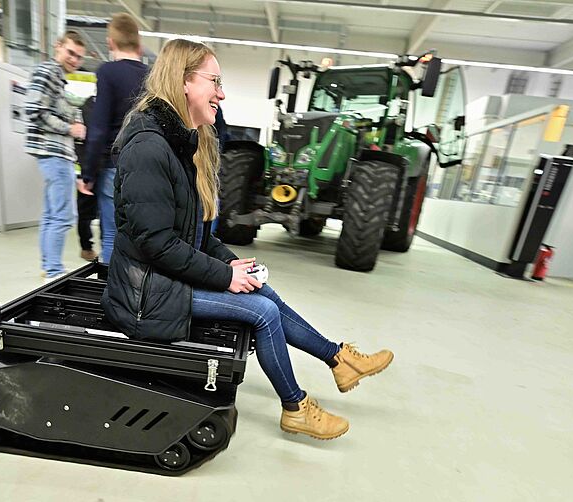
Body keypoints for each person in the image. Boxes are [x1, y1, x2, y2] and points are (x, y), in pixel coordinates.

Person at [102, 39, 394, 441]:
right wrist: (223, 277)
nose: (221, 93)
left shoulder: (178, 144)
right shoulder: (150, 149)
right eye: (214, 81)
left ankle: (338, 358)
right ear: (184, 82)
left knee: (260, 285)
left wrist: (232, 265)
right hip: (144, 293)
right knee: (263, 312)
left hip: (163, 277)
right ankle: (296, 406)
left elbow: (194, 234)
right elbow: (157, 244)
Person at [78, 13, 149, 264]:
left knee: (111, 235)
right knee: (140, 237)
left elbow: (97, 129)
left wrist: (87, 175)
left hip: (113, 166)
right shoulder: (152, 76)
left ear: (110, 43)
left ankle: (109, 296)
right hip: (145, 168)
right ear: (139, 45)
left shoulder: (107, 72)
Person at [25, 31, 87, 279]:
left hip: (54, 153)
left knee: (52, 213)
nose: (74, 59)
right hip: (53, 153)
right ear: (58, 47)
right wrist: (69, 128)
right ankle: (53, 270)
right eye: (71, 52)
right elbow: (33, 109)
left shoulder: (58, 79)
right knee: (63, 214)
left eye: (79, 57)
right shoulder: (47, 72)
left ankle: (48, 265)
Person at [74, 96, 99, 261]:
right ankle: (86, 248)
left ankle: (88, 247)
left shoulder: (88, 106)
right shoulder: (88, 107)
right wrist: (84, 172)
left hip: (96, 165)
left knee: (88, 211)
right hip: (91, 166)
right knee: (86, 211)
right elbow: (81, 141)